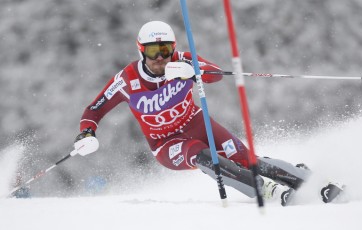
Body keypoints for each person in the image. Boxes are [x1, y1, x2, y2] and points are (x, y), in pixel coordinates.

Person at [75, 21, 340, 206]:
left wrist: (195, 71)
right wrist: (87, 133)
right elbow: (93, 110)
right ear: (141, 50)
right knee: (204, 156)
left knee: (246, 158)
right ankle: (265, 190)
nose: (161, 58)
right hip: (167, 144)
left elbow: (216, 73)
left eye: (166, 50)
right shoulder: (127, 80)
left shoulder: (183, 60)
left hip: (197, 123)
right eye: (154, 51)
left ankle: (310, 181)